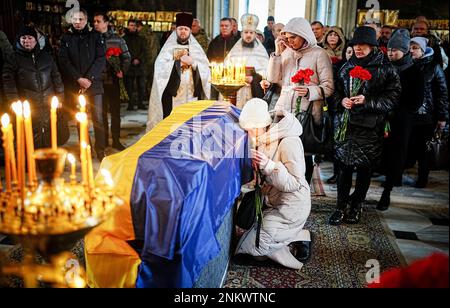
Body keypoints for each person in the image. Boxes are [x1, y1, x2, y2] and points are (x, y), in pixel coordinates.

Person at [329, 27, 401, 226]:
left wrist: (367, 101)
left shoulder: (386, 68)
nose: (358, 49)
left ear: (373, 46)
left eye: (363, 45)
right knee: (343, 168)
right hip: (346, 125)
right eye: (355, 45)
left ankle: (356, 204)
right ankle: (340, 206)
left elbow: (393, 98)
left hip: (370, 127)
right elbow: (334, 92)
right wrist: (342, 100)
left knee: (364, 169)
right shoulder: (346, 67)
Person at [235, 98, 312, 270]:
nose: (250, 134)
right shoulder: (264, 135)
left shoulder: (289, 142)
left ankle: (297, 239)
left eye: (252, 130)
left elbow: (295, 184)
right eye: (247, 130)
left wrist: (269, 166)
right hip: (273, 203)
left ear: (263, 124)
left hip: (292, 207)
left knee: (250, 250)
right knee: (246, 242)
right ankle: (296, 236)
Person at [267, 17, 334, 185]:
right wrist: (277, 53)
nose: (290, 42)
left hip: (306, 112)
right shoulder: (286, 52)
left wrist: (310, 91)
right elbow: (273, 78)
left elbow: (329, 87)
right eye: (287, 38)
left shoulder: (319, 54)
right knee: (282, 151)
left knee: (303, 154)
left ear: (304, 35)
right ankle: (285, 187)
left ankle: (303, 187)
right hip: (284, 109)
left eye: (293, 37)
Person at [376, 29, 425, 211]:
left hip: (400, 121)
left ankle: (386, 192)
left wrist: (395, 111)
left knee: (395, 156)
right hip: (381, 117)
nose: (390, 53)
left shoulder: (414, 71)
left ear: (404, 51)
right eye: (389, 50)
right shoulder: (385, 67)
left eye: (395, 50)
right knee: (378, 154)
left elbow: (416, 101)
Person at [147, 13, 211, 131]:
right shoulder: (168, 47)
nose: (183, 31)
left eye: (186, 29)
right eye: (180, 28)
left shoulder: (196, 48)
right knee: (171, 127)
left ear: (190, 31)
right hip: (172, 95)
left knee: (190, 125)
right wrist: (178, 63)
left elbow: (205, 67)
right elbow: (160, 67)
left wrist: (194, 63)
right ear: (176, 30)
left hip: (191, 94)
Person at [3, 26, 64, 148]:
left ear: (36, 40)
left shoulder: (46, 56)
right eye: (23, 38)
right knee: (30, 132)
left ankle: (48, 156)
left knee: (49, 129)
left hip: (47, 101)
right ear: (19, 40)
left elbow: (56, 77)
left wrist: (60, 96)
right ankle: (32, 160)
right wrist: (14, 101)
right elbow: (8, 81)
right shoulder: (13, 58)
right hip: (27, 103)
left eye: (30, 38)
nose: (27, 41)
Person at [59, 9, 107, 160]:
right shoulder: (66, 38)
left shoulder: (96, 36)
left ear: (86, 20)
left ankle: (100, 150)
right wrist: (78, 78)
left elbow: (100, 59)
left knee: (98, 118)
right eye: (75, 19)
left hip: (94, 83)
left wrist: (89, 78)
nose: (78, 22)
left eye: (81, 19)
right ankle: (85, 149)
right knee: (81, 118)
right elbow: (64, 61)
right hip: (76, 84)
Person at [407, 37, 448, 188]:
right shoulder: (407, 64)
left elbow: (442, 93)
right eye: (410, 47)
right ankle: (397, 176)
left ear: (423, 50)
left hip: (427, 116)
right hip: (409, 114)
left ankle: (422, 178)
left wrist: (442, 117)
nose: (411, 50)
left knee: (424, 149)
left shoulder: (433, 66)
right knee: (407, 147)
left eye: (415, 48)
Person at [93, 12, 131, 151]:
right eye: (94, 22)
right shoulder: (92, 39)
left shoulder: (117, 39)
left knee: (115, 113)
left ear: (106, 23)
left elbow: (127, 57)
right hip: (98, 82)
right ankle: (103, 141)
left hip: (113, 82)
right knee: (99, 114)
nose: (95, 24)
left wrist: (121, 70)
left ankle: (115, 140)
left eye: (98, 21)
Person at [225, 14, 269, 109]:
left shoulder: (261, 51)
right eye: (246, 32)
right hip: (237, 93)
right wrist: (237, 77)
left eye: (251, 32)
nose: (248, 35)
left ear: (255, 34)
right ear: (241, 34)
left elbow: (267, 73)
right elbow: (226, 69)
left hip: (254, 92)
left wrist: (254, 79)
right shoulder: (235, 50)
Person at [123, 20, 148, 111]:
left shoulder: (141, 38)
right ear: (128, 26)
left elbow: (144, 51)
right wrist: (132, 59)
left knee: (141, 86)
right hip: (129, 66)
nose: (133, 27)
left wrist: (138, 59)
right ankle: (131, 104)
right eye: (131, 25)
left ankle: (140, 103)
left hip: (139, 66)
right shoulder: (124, 39)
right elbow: (124, 51)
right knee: (129, 87)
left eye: (134, 25)